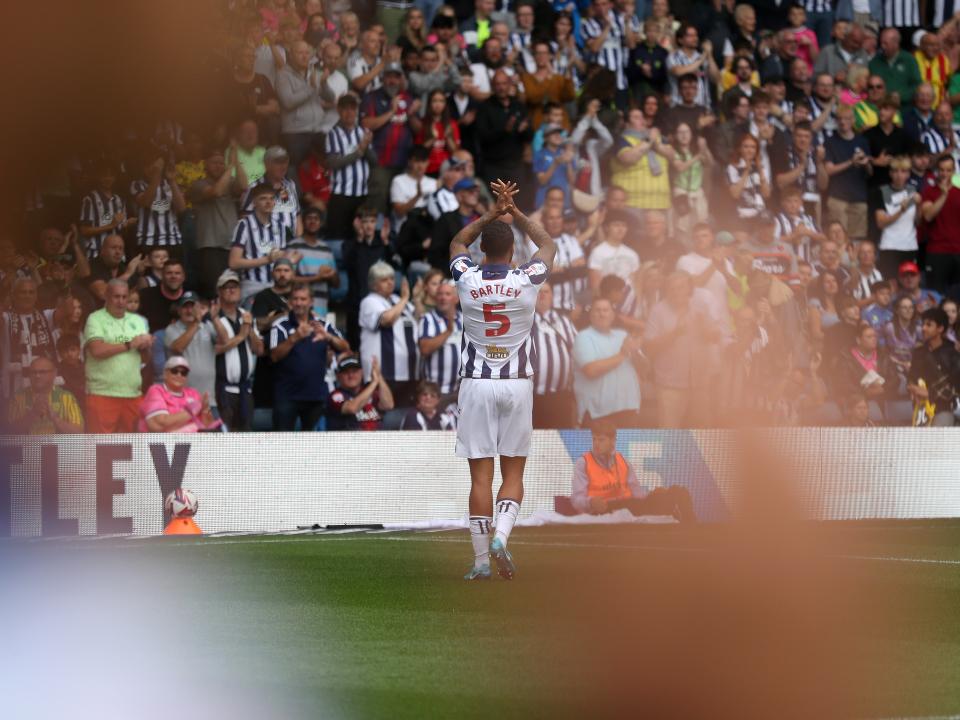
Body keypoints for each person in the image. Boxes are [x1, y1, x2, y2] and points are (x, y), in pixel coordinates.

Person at [449, 178, 556, 582]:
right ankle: (502, 537)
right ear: (512, 250)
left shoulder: (466, 278)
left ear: (483, 249)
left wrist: (492, 214)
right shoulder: (527, 278)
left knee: (480, 477)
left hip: (476, 382)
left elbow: (457, 244)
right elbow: (548, 245)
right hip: (516, 383)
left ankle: (479, 562)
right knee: (514, 475)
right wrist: (517, 213)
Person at [643, 271, 726, 428]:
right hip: (670, 385)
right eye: (672, 288)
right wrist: (674, 334)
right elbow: (649, 347)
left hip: (699, 383)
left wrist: (704, 328)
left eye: (681, 287)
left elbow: (715, 337)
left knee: (701, 432)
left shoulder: (700, 309)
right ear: (667, 290)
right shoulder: (657, 311)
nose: (676, 292)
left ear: (690, 289)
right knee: (670, 434)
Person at [570, 421, 695, 520]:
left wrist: (651, 495)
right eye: (594, 439)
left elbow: (637, 494)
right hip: (604, 510)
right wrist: (590, 502)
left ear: (613, 441)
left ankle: (691, 527)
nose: (596, 444)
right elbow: (576, 500)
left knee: (675, 492)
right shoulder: (583, 463)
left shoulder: (623, 462)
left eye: (601, 440)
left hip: (630, 507)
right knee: (656, 502)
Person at [269, 282, 349, 431]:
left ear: (311, 301)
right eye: (295, 299)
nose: (299, 303)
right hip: (287, 396)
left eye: (303, 299)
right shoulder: (281, 325)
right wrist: (295, 337)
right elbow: (274, 356)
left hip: (316, 396)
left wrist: (328, 337)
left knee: (314, 448)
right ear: (291, 302)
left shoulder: (323, 325)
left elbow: (346, 347)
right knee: (280, 446)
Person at [83, 279, 153, 433]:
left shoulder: (138, 321)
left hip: (133, 393)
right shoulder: (95, 319)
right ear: (106, 296)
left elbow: (145, 360)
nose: (121, 301)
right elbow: (97, 351)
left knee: (136, 448)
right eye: (116, 297)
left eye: (124, 297)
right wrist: (129, 344)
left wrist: (145, 348)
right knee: (100, 448)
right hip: (102, 393)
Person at [572, 296, 643, 428]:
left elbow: (644, 369)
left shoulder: (622, 334)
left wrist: (637, 352)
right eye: (597, 310)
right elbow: (591, 370)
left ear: (613, 315)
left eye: (606, 310)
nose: (602, 314)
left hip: (628, 409)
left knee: (624, 450)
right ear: (590, 315)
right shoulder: (583, 337)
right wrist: (623, 353)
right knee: (596, 449)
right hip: (598, 413)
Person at [189, 146, 249, 300]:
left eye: (221, 163)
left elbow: (244, 186)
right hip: (210, 247)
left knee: (233, 290)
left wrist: (236, 163)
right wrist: (229, 168)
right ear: (205, 165)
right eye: (214, 163)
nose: (218, 166)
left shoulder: (231, 182)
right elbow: (215, 192)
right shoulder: (198, 185)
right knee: (214, 291)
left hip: (232, 246)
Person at [359, 261, 420, 407]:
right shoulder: (369, 301)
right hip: (383, 373)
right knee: (386, 419)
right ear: (374, 284)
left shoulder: (396, 300)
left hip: (408, 372)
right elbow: (386, 320)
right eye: (384, 280)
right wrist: (405, 298)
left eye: (392, 279)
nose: (390, 283)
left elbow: (418, 318)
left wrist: (417, 298)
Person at [213, 270, 264, 432]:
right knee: (225, 437)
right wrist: (240, 337)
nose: (231, 290)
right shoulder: (213, 317)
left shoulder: (247, 316)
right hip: (222, 389)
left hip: (245, 389)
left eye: (234, 287)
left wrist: (248, 330)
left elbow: (259, 349)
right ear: (219, 292)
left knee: (245, 436)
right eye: (226, 287)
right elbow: (214, 350)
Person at [229, 182, 297, 301]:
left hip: (276, 287)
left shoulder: (281, 226)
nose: (268, 202)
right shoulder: (244, 225)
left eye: (271, 198)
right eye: (263, 199)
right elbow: (233, 262)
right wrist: (266, 260)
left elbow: (286, 256)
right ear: (254, 202)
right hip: (253, 286)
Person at [325, 94, 376, 240]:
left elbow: (374, 161)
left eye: (352, 109)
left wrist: (366, 147)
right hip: (341, 194)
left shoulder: (363, 133)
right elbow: (333, 163)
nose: (349, 113)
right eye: (345, 109)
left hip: (361, 195)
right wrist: (359, 150)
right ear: (339, 111)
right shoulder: (333, 134)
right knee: (338, 236)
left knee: (359, 236)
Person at [1, 278, 58, 402]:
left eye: (31, 292)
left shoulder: (45, 317)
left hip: (43, 389)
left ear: (36, 295)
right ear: (13, 295)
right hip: (13, 387)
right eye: (23, 292)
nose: (27, 296)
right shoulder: (5, 319)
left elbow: (67, 309)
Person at [531, 281, 578, 429]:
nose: (542, 295)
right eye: (538, 292)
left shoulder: (564, 321)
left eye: (546, 292)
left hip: (560, 398)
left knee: (560, 445)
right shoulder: (522, 321)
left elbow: (576, 350)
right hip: (531, 399)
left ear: (552, 296)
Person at [164, 292, 219, 416]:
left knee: (214, 435)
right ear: (178, 310)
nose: (189, 311)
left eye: (193, 306)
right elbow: (178, 347)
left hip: (208, 399)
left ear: (199, 308)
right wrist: (196, 324)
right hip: (182, 399)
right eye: (185, 307)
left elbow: (224, 341)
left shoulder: (208, 327)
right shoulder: (171, 329)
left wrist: (215, 319)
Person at [139, 356, 221, 432]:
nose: (179, 375)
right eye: (174, 371)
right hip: (165, 444)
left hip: (193, 442)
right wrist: (193, 410)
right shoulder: (156, 390)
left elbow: (205, 425)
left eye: (184, 373)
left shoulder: (193, 393)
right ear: (165, 374)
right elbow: (159, 425)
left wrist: (205, 411)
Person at [908, 306, 960, 425]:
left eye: (928, 325)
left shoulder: (952, 352)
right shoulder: (919, 352)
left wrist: (929, 393)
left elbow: (956, 387)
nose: (923, 328)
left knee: (937, 439)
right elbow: (912, 377)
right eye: (923, 324)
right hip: (921, 408)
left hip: (945, 407)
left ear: (940, 328)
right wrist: (912, 386)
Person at [6, 356, 84, 434]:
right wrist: (33, 413)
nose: (37, 376)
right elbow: (8, 432)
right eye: (33, 372)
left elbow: (79, 432)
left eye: (42, 372)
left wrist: (55, 418)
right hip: (28, 446)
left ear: (54, 373)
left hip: (58, 446)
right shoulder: (18, 398)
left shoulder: (67, 397)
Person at [920, 153, 960, 293]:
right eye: (942, 170)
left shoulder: (959, 192)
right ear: (937, 170)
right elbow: (928, 216)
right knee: (935, 294)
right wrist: (943, 195)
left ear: (954, 171)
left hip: (958, 250)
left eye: (948, 170)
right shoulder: (929, 192)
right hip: (937, 251)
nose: (944, 173)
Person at [130, 151, 186, 251]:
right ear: (143, 168)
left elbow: (182, 208)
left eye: (155, 166)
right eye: (148, 166)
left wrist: (172, 180)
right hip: (148, 240)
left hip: (172, 240)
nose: (152, 169)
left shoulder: (170, 184)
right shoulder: (137, 184)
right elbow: (146, 202)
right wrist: (157, 175)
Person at [78, 162, 133, 259]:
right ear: (98, 177)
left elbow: (121, 227)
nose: (108, 178)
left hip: (117, 253)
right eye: (104, 175)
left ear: (115, 177)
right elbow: (84, 230)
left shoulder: (119, 200)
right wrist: (110, 226)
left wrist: (127, 224)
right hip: (96, 252)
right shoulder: (90, 199)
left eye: (111, 175)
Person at [418, 279, 462, 399]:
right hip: (435, 392)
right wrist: (447, 332)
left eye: (447, 294)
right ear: (435, 298)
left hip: (461, 391)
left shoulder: (464, 320)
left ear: (456, 299)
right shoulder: (428, 319)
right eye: (440, 294)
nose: (443, 298)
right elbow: (424, 349)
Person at [327, 353, 395, 430]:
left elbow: (388, 405)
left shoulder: (370, 392)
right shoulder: (335, 396)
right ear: (338, 376)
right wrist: (374, 383)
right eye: (346, 372)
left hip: (376, 439)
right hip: (348, 440)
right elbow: (351, 408)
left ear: (362, 373)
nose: (351, 375)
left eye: (354, 371)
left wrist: (379, 376)